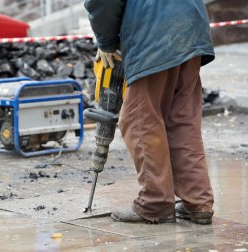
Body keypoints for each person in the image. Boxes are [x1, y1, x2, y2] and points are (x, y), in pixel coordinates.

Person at [84, 0, 215, 224]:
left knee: (139, 120)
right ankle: (198, 201)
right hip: (192, 29)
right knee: (182, 121)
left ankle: (155, 203)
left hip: (154, 33)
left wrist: (106, 42)